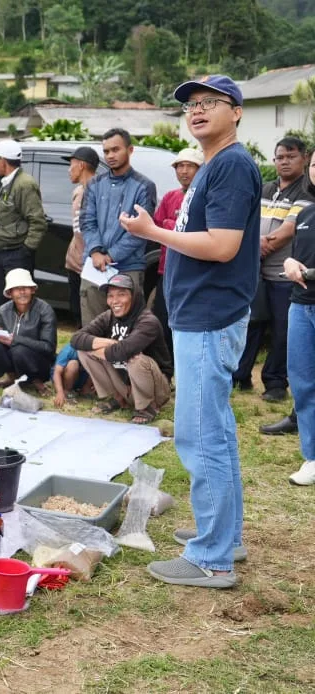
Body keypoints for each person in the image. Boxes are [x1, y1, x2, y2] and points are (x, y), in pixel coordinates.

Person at [121, 75, 261, 589]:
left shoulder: (231, 165)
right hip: (200, 314)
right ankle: (224, 536)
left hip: (210, 315)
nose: (198, 110)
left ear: (237, 111)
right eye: (192, 104)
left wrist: (152, 232)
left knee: (201, 435)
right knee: (215, 431)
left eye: (211, 103)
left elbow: (223, 245)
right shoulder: (214, 165)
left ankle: (212, 558)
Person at [235, 137, 313, 401]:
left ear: (303, 158)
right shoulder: (266, 188)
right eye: (280, 157)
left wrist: (258, 245)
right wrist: (251, 243)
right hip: (255, 271)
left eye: (291, 156)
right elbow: (246, 218)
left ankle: (275, 382)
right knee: (251, 324)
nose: (285, 161)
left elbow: (288, 229)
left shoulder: (306, 191)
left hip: (285, 273)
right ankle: (240, 375)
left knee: (282, 330)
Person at [0, 140, 46, 378]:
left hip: (16, 254)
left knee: (19, 306)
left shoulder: (25, 184)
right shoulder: (4, 182)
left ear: (3, 161)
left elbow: (37, 221)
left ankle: (20, 358)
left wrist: (25, 251)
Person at [79, 128, 157, 325]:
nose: (110, 156)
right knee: (93, 328)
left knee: (127, 332)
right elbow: (87, 221)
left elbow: (140, 231)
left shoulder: (144, 186)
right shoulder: (94, 184)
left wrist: (111, 255)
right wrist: (96, 252)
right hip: (95, 268)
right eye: (106, 152)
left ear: (130, 150)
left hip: (128, 267)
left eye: (115, 150)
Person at [70, 274, 173, 424]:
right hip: (126, 385)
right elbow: (76, 339)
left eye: (121, 294)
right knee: (83, 351)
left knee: (136, 360)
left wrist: (109, 348)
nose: (114, 301)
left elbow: (122, 352)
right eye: (110, 296)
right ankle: (117, 398)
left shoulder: (148, 321)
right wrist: (108, 342)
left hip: (156, 389)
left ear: (134, 296)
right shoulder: (108, 317)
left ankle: (147, 406)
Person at [153, 148, 204, 362]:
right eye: (179, 166)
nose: (184, 171)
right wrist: (170, 226)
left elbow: (197, 231)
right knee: (162, 319)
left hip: (193, 271)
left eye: (189, 166)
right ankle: (165, 367)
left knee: (188, 322)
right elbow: (156, 227)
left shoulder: (204, 196)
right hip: (166, 269)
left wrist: (169, 226)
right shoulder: (170, 197)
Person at [283, 154, 315, 485]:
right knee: (304, 384)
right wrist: (291, 262)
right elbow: (296, 255)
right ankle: (312, 456)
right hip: (301, 306)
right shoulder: (304, 213)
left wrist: (308, 271)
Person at [0, 268, 57, 393]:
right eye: (17, 288)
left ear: (32, 290)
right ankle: (12, 377)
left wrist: (15, 339)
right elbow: (3, 343)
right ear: (10, 293)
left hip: (39, 363)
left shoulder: (45, 310)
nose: (22, 292)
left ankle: (37, 381)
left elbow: (49, 348)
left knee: (19, 350)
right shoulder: (3, 310)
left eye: (25, 287)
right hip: (15, 359)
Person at [63, 146, 99, 328]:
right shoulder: (78, 191)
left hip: (89, 265)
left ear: (82, 165)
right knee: (77, 314)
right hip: (74, 264)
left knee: (90, 318)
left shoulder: (99, 192)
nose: (69, 170)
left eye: (71, 165)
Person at [51, 344, 92, 409]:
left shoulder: (94, 348)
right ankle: (67, 391)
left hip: (81, 377)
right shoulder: (69, 350)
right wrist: (60, 392)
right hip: (65, 379)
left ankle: (85, 389)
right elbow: (57, 372)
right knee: (73, 364)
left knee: (97, 364)